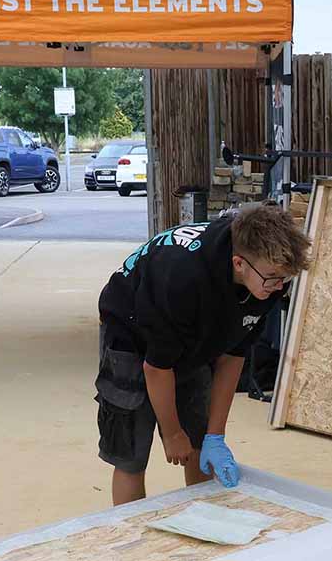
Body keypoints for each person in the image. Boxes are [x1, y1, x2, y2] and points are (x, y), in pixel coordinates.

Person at [96, 204, 311, 505]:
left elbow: (233, 355)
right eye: (273, 278)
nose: (278, 287)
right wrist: (171, 433)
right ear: (239, 264)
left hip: (193, 331)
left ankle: (203, 522)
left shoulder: (266, 281)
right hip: (131, 332)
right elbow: (157, 368)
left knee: (198, 441)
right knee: (132, 453)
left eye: (285, 279)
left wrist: (215, 435)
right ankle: (131, 538)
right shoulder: (184, 278)